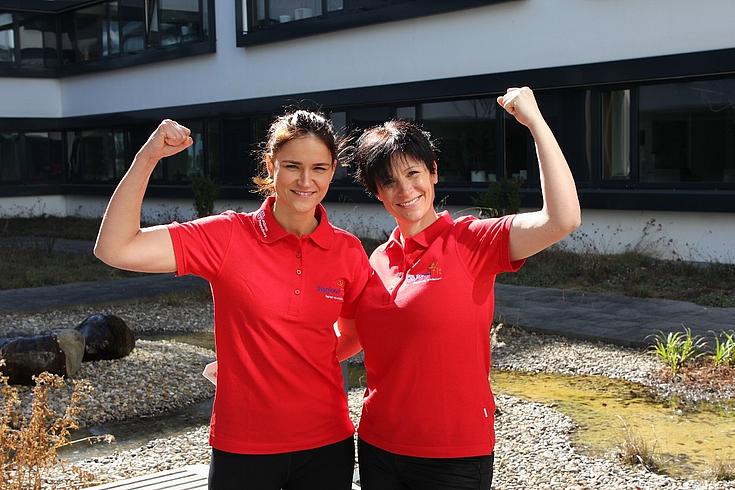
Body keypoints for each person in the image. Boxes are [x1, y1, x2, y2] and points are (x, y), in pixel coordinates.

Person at [94, 110, 370, 490]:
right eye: (292, 166)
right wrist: (148, 157)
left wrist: (288, 360)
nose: (306, 181)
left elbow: (355, 333)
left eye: (319, 168)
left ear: (332, 170)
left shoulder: (348, 251)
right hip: (244, 447)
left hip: (327, 443)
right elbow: (116, 248)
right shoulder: (227, 235)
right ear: (270, 165)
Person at [336, 87, 581, 489]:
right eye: (389, 181)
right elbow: (347, 340)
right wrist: (259, 364)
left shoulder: (472, 241)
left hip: (453, 456)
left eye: (413, 173)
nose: (405, 190)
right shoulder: (375, 261)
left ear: (433, 172)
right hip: (379, 447)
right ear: (377, 192)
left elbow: (562, 219)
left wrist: (536, 124)